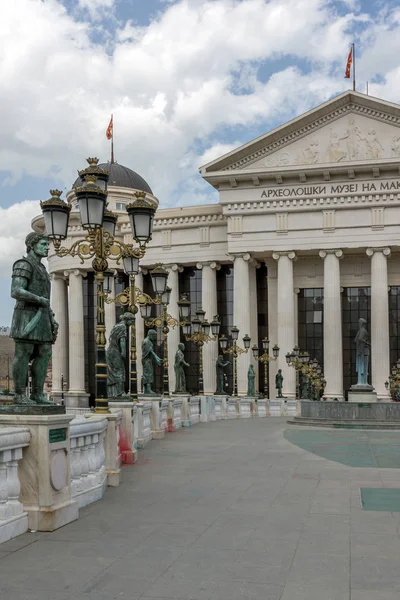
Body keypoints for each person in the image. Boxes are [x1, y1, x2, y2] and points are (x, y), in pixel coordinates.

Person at [10, 233, 58, 405]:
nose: (47, 247)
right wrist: (39, 300)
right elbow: (16, 291)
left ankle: (38, 394)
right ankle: (20, 394)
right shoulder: (23, 264)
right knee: (23, 353)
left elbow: (44, 296)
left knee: (44, 353)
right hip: (26, 316)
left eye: (47, 244)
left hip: (43, 317)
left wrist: (51, 315)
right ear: (32, 244)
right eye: (44, 244)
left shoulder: (43, 269)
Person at [107, 313, 135, 398]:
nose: (132, 323)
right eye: (132, 320)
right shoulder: (122, 326)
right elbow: (122, 340)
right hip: (115, 352)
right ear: (127, 319)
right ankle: (120, 393)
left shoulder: (116, 326)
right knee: (120, 371)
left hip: (110, 351)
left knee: (112, 372)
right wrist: (123, 352)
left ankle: (112, 393)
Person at [141, 329, 163, 395]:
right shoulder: (147, 341)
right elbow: (150, 351)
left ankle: (147, 390)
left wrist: (157, 358)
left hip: (148, 360)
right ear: (150, 335)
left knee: (148, 374)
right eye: (154, 336)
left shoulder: (148, 341)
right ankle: (148, 389)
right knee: (148, 374)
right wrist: (157, 358)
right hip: (146, 360)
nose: (155, 338)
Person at [355, 318, 370, 385]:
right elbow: (356, 340)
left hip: (364, 351)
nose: (359, 324)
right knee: (361, 367)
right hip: (360, 351)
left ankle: (364, 382)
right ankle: (360, 382)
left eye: (359, 323)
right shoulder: (360, 331)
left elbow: (360, 339)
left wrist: (365, 342)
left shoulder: (363, 331)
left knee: (364, 368)